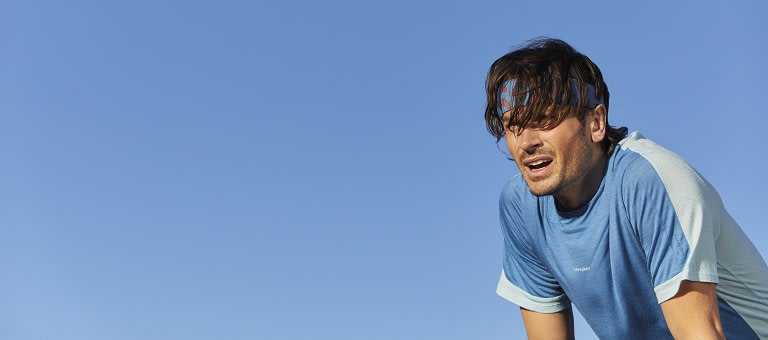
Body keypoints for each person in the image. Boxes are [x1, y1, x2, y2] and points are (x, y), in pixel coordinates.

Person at [483, 38, 768, 339]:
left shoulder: (650, 181)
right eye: (513, 125)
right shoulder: (521, 207)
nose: (526, 142)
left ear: (596, 122)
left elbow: (698, 334)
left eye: (544, 119)